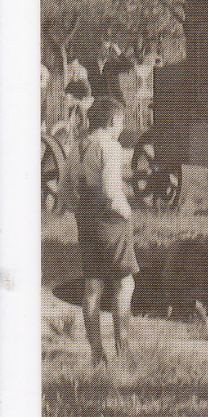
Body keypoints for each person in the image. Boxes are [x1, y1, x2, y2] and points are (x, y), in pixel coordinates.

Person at [76, 98, 138, 366]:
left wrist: (79, 208)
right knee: (124, 283)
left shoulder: (77, 146)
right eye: (121, 123)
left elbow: (66, 186)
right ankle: (122, 349)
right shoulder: (110, 147)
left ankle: (96, 353)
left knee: (93, 286)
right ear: (114, 121)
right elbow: (112, 187)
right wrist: (126, 212)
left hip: (85, 215)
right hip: (110, 218)